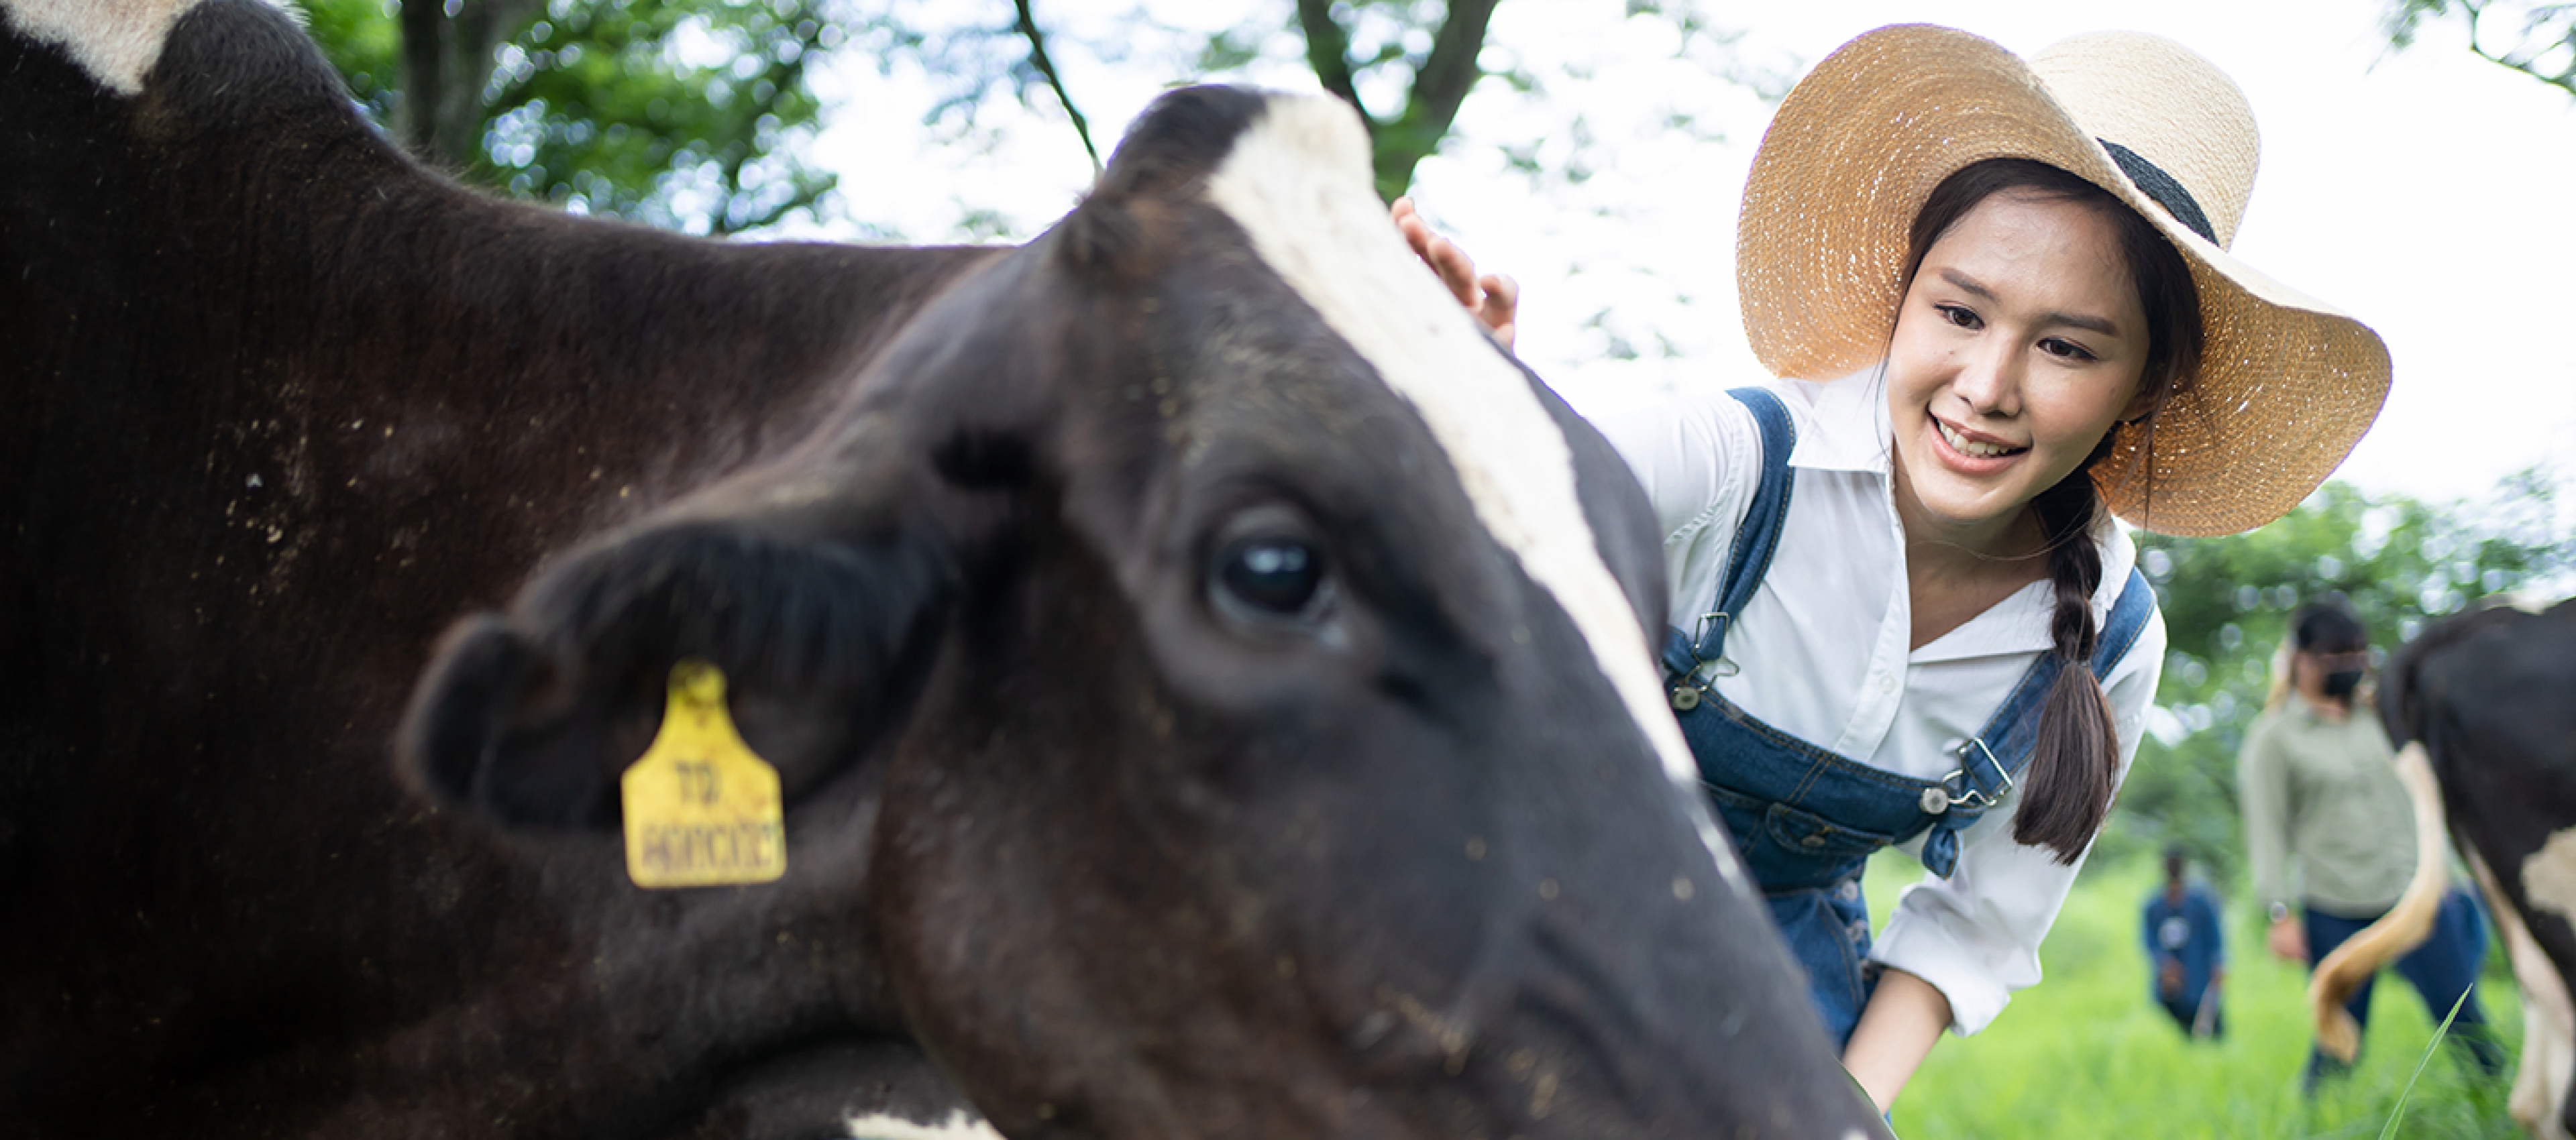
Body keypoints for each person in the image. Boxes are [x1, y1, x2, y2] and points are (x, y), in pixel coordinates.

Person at [1399, 26, 2392, 1111]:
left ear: (2145, 386)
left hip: (1776, 1001)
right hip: (1521, 919)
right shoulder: (1733, 466)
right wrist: (1458, 400)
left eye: (2066, 346)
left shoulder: (2111, 636)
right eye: (1959, 313)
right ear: (1903, 295)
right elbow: (1452, 548)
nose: (1988, 386)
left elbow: (1973, 930)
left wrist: (1846, 1119)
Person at [2241, 600, 2507, 1089]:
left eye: (2357, 655)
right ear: (2301, 660)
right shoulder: (2274, 738)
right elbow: (2267, 830)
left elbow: (2430, 793)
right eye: (2334, 657)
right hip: (2337, 907)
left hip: (2417, 899)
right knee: (2339, 1041)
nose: (2349, 666)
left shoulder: (2388, 717)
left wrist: (2456, 875)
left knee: (2466, 1021)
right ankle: (2316, 1119)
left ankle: (2500, 1104)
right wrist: (2280, 913)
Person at [2143, 844, 2225, 1039]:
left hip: (2199, 970)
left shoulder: (2200, 902)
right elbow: (2149, 940)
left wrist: (2219, 963)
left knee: (2209, 1021)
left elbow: (2214, 936)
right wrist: (2164, 963)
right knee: (2177, 1022)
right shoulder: (2154, 906)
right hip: (2172, 979)